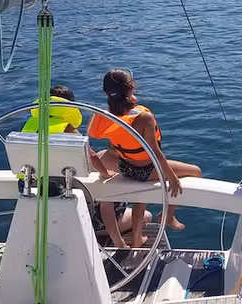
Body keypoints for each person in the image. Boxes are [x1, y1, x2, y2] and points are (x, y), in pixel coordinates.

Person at [87, 69, 202, 248]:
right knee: (196, 171)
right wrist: (171, 177)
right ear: (131, 87)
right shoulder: (144, 117)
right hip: (146, 170)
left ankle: (136, 239)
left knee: (140, 195)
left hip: (125, 167)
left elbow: (92, 135)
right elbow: (155, 152)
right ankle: (168, 217)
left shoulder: (105, 116)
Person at [21, 85, 149, 245]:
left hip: (40, 208)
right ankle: (117, 241)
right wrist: (105, 173)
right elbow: (92, 156)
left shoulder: (30, 127)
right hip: (78, 215)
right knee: (146, 216)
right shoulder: (67, 129)